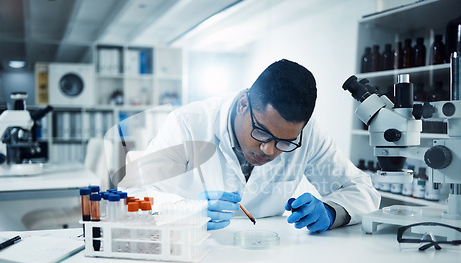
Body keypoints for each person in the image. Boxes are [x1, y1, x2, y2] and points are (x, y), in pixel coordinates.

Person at [119, 59, 380, 232]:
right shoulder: (187, 124)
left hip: (269, 261)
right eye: (262, 133)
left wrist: (331, 211)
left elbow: (362, 191)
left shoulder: (308, 133)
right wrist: (187, 209)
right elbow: (130, 196)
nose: (269, 150)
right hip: (198, 258)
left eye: (285, 142)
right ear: (243, 104)